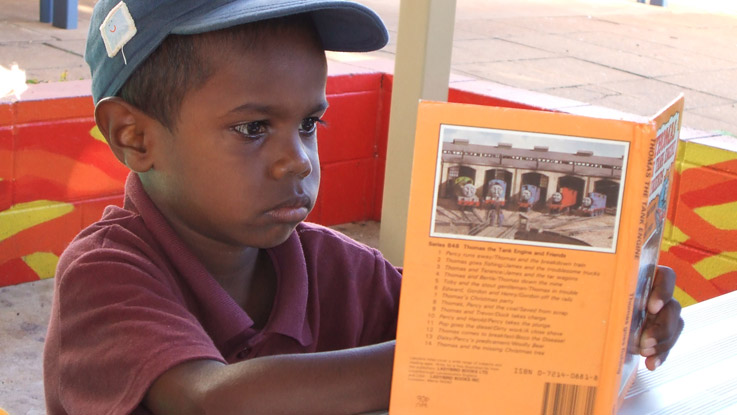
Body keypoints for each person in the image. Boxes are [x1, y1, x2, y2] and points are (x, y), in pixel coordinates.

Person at [42, 1, 684, 414]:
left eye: (310, 123)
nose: (298, 160)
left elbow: (467, 317)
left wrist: (605, 313)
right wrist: (461, 353)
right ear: (134, 136)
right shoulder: (107, 274)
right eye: (252, 128)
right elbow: (210, 401)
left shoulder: (338, 268)